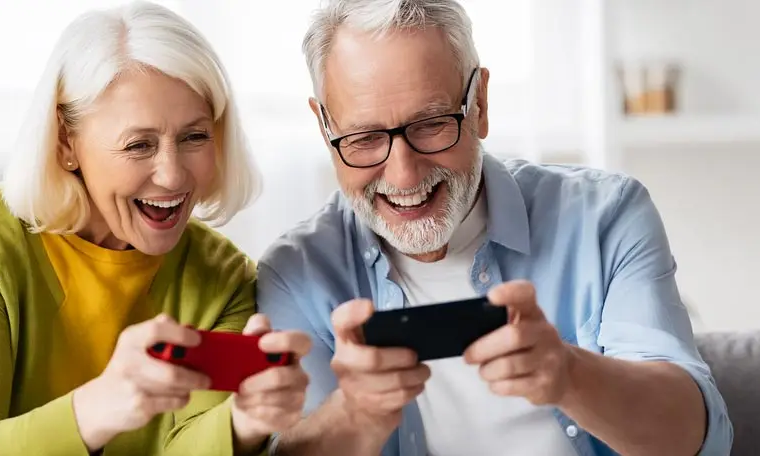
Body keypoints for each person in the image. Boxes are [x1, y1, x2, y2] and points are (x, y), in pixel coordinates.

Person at [256, 1, 733, 455]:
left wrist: (569, 374)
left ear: (479, 103)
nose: (403, 175)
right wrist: (356, 414)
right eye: (364, 138)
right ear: (324, 129)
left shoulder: (605, 216)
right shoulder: (296, 272)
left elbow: (695, 439)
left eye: (431, 124)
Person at [0, 2, 312, 455]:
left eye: (195, 136)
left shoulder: (225, 277)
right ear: (64, 142)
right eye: (139, 145)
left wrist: (244, 420)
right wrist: (100, 406)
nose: (173, 176)